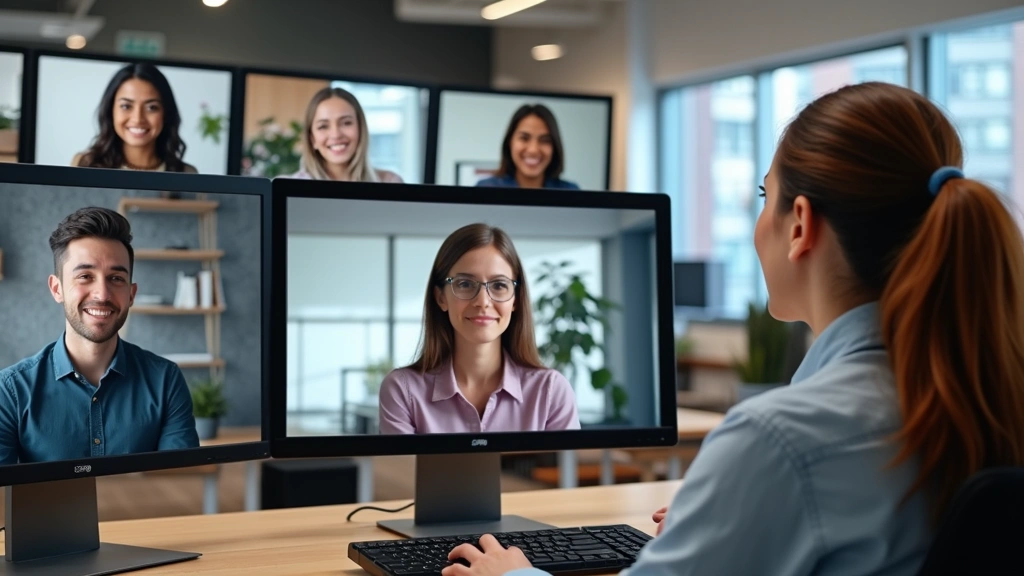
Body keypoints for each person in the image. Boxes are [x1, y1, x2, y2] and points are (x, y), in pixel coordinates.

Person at [441, 82, 1024, 575]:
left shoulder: (781, 440)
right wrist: (729, 520)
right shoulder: (992, 392)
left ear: (799, 224)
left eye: (766, 195)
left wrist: (515, 574)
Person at [0, 207, 200, 464]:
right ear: (57, 288)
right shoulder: (10, 390)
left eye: (116, 278)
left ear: (131, 293)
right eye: (85, 276)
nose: (102, 294)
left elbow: (178, 481)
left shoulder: (165, 380)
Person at [378, 223, 579, 434]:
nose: (483, 302)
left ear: (515, 300)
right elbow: (403, 469)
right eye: (465, 284)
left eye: (499, 285)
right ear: (440, 298)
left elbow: (561, 468)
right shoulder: (402, 390)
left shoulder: (551, 390)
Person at [72, 63, 197, 173]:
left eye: (152, 107)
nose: (137, 119)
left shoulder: (186, 174)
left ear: (166, 113)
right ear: (111, 110)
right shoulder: (86, 164)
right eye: (126, 106)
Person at [288, 87, 403, 183]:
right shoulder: (288, 188)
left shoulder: (390, 182)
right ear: (312, 138)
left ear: (361, 129)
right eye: (323, 126)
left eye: (346, 123)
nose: (336, 134)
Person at [476, 104, 579, 190]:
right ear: (510, 142)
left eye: (545, 140)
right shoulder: (486, 189)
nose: (533, 150)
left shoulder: (571, 192)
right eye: (524, 138)